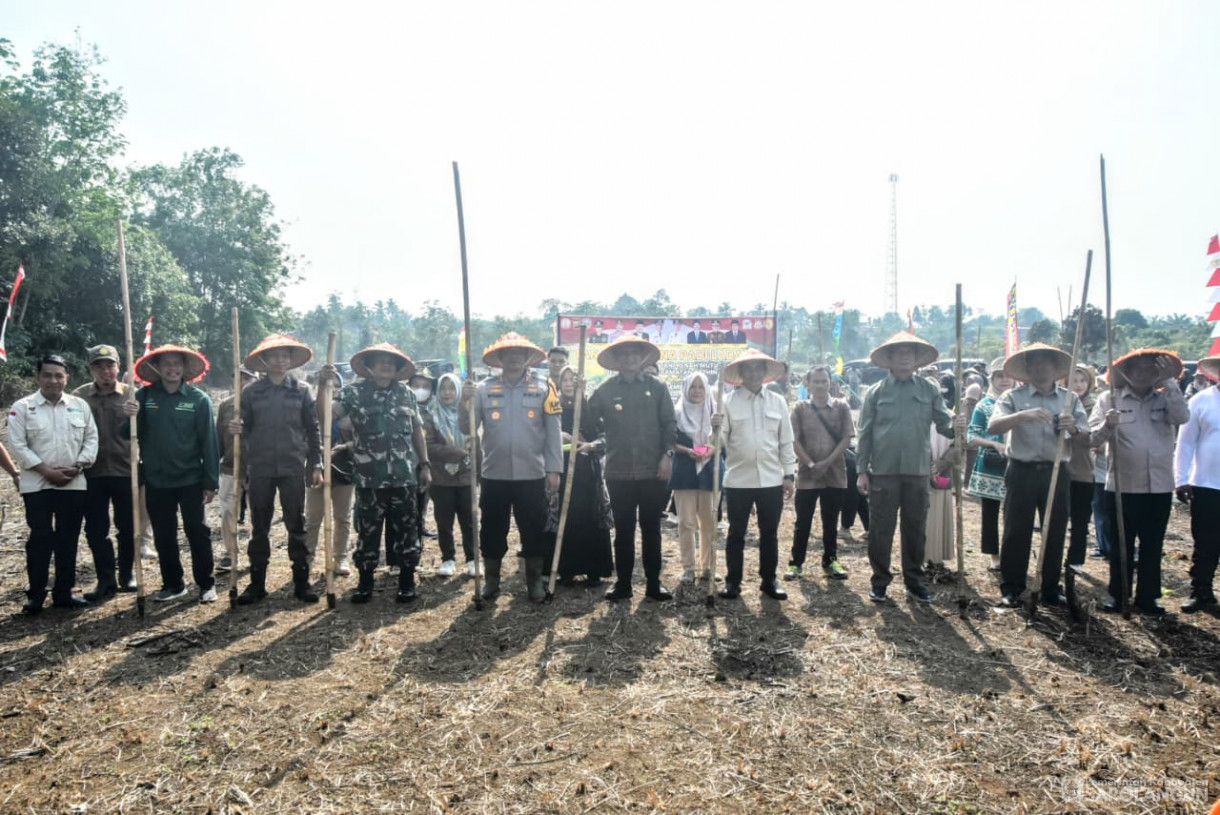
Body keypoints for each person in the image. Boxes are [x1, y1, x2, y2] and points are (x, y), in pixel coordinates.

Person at [856, 333, 965, 602]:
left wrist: (956, 425)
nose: (904, 356)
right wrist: (861, 471)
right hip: (883, 471)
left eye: (910, 352)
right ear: (890, 359)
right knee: (881, 530)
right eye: (898, 352)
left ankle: (914, 581)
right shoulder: (876, 392)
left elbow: (944, 425)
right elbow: (865, 434)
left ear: (916, 359)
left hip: (917, 471)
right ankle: (880, 581)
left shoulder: (929, 390)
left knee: (915, 528)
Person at [323, 343, 431, 603]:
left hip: (404, 477)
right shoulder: (353, 393)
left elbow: (417, 430)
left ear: (397, 369)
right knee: (368, 532)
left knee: (407, 530)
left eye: (391, 362)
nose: (386, 365)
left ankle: (407, 581)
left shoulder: (406, 394)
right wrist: (322, 388)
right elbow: (325, 416)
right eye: (380, 360)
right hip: (370, 479)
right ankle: (365, 583)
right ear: (369, 366)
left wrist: (425, 464)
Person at [461, 333, 562, 601]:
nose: (514, 357)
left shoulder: (544, 388)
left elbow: (553, 432)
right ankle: (492, 582)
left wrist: (554, 469)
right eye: (508, 353)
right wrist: (464, 403)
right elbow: (466, 428)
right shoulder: (482, 389)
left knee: (534, 528)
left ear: (528, 358)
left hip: (532, 474)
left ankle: (534, 583)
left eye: (520, 353)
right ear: (500, 359)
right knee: (492, 528)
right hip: (494, 474)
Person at [988, 343, 1089, 609]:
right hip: (1021, 470)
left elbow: (1086, 436)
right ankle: (1012, 588)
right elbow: (994, 425)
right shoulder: (1012, 397)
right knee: (1015, 530)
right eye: (1036, 362)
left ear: (1056, 369)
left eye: (1047, 362)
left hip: (1057, 472)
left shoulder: (1070, 399)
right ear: (1028, 368)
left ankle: (1049, 589)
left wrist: (1074, 428)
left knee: (1054, 531)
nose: (1041, 367)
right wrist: (1023, 415)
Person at [1092, 349, 1190, 615]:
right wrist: (1108, 426)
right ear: (1125, 372)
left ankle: (1148, 597)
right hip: (1123, 485)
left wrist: (1170, 382)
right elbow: (1092, 440)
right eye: (1137, 369)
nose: (1143, 374)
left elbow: (1182, 418)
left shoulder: (1166, 398)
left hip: (1158, 485)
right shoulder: (1108, 400)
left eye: (1150, 369)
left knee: (1152, 543)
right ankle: (1118, 595)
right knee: (1121, 543)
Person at [229, 335, 323, 605]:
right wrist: (237, 428)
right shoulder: (251, 392)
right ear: (264, 360)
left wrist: (315, 464)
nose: (280, 360)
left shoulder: (302, 390)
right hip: (261, 467)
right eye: (274, 356)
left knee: (296, 524)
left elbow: (313, 430)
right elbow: (244, 428)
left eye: (285, 356)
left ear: (291, 361)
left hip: (293, 466)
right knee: (259, 526)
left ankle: (301, 583)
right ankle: (257, 584)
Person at [585, 335, 676, 601]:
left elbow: (670, 424)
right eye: (624, 355)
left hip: (653, 470)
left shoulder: (657, 388)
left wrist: (667, 455)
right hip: (618, 471)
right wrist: (580, 396)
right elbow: (589, 423)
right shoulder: (604, 390)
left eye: (635, 354)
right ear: (616, 360)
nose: (630, 359)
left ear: (642, 358)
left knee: (651, 528)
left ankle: (653, 584)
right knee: (623, 530)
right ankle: (623, 584)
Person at [9, 355, 99, 614]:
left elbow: (91, 439)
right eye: (47, 375)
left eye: (59, 376)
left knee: (68, 539)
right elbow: (18, 445)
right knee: (40, 539)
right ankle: (36, 594)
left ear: (67, 378)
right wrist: (46, 471)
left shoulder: (79, 406)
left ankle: (64, 592)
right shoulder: (23, 407)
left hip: (73, 483)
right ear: (38, 378)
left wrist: (79, 465)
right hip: (37, 485)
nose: (53, 380)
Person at [131, 345, 220, 603]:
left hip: (190, 478)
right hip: (157, 478)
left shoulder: (197, 399)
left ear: (184, 368)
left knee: (197, 530)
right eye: (166, 364)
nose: (171, 369)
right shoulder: (144, 397)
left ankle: (206, 584)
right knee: (164, 533)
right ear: (157, 369)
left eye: (176, 364)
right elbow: (129, 433)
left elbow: (209, 443)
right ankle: (173, 584)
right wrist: (130, 416)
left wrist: (210, 481)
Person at [712, 350, 796, 600]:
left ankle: (769, 580)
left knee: (769, 533)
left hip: (771, 479)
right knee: (736, 533)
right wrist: (714, 427)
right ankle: (733, 582)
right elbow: (717, 445)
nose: (754, 373)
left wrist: (789, 474)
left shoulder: (777, 402)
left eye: (758, 368)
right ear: (741, 374)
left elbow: (786, 441)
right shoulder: (727, 402)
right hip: (738, 480)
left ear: (764, 373)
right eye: (748, 369)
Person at [73, 344, 140, 599]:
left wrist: (137, 415)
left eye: (110, 365)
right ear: (90, 369)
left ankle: (127, 574)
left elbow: (145, 429)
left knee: (127, 526)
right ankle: (105, 579)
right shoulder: (78, 397)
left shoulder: (132, 395)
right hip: (92, 473)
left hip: (126, 471)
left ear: (118, 367)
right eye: (98, 366)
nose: (105, 371)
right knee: (96, 529)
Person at [549, 366, 615, 585]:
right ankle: (566, 570)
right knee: (566, 517)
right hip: (562, 468)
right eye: (565, 379)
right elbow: (541, 434)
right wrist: (558, 435)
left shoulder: (589, 406)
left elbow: (605, 437)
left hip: (587, 473)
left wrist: (590, 445)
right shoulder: (553, 407)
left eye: (573, 379)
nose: (569, 383)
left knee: (590, 518)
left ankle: (594, 570)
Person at [787, 365, 853, 581]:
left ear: (830, 383)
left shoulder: (841, 407)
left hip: (835, 472)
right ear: (808, 384)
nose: (820, 385)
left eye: (824, 381)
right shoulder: (799, 409)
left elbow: (846, 439)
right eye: (815, 381)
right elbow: (793, 440)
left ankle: (831, 559)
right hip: (808, 475)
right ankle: (796, 563)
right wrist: (812, 464)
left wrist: (826, 462)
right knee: (803, 521)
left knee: (831, 520)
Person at [1174, 353, 1220, 612]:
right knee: (1206, 542)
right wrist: (1181, 479)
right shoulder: (1202, 400)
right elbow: (1185, 443)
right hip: (1207, 484)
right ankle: (1201, 591)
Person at [668, 372, 721, 584]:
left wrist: (711, 449)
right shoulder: (677, 413)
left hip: (709, 472)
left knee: (709, 522)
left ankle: (707, 566)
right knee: (686, 522)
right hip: (684, 472)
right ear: (686, 389)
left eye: (701, 387)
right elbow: (669, 441)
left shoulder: (715, 413)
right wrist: (686, 450)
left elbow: (722, 441)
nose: (697, 391)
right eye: (693, 387)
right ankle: (688, 567)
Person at [421, 372, 477, 577]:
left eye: (452, 388)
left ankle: (472, 559)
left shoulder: (468, 412)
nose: (447, 393)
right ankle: (448, 558)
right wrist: (456, 452)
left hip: (466, 476)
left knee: (469, 520)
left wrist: (476, 470)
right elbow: (429, 446)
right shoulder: (430, 414)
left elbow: (475, 442)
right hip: (441, 477)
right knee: (444, 521)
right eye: (443, 388)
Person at [967, 356, 1011, 572]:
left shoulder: (1019, 402)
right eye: (1000, 376)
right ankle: (995, 555)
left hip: (1017, 465)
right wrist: (994, 445)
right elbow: (971, 436)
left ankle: (1012, 552)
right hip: (991, 466)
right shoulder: (984, 405)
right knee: (990, 514)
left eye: (1008, 376)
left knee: (1014, 514)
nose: (1005, 381)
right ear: (992, 379)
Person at [215, 365, 258, 573]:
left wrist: (247, 428)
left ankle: (255, 552)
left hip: (258, 468)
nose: (243, 382)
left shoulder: (263, 404)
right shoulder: (226, 405)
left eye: (248, 378)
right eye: (239, 378)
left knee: (257, 513)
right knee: (228, 512)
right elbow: (218, 440)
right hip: (231, 466)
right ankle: (230, 553)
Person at [1065, 365, 1099, 574]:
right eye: (1073, 380)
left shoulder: (1094, 406)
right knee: (1058, 518)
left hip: (1083, 468)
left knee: (1080, 519)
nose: (1078, 385)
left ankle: (1076, 558)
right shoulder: (1061, 404)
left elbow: (1094, 437)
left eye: (1082, 380)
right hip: (1059, 467)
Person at [924, 423, 959, 576]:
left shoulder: (952, 421)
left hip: (942, 475)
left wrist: (939, 465)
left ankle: (936, 557)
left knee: (938, 515)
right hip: (918, 473)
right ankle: (922, 557)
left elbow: (959, 444)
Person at [408, 371, 438, 544]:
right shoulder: (404, 407)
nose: (421, 390)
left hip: (426, 462)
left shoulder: (434, 410)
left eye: (425, 387)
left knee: (422, 501)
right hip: (407, 462)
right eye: (416, 386)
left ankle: (419, 531)